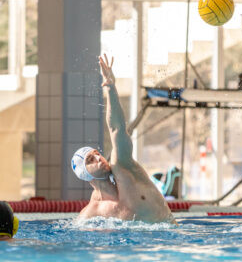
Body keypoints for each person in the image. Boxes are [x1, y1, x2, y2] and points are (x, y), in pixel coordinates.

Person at [71, 54, 175, 224]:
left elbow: (117, 129)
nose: (99, 157)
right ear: (85, 175)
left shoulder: (123, 167)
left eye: (97, 153)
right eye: (90, 160)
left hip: (172, 242)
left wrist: (111, 87)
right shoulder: (92, 212)